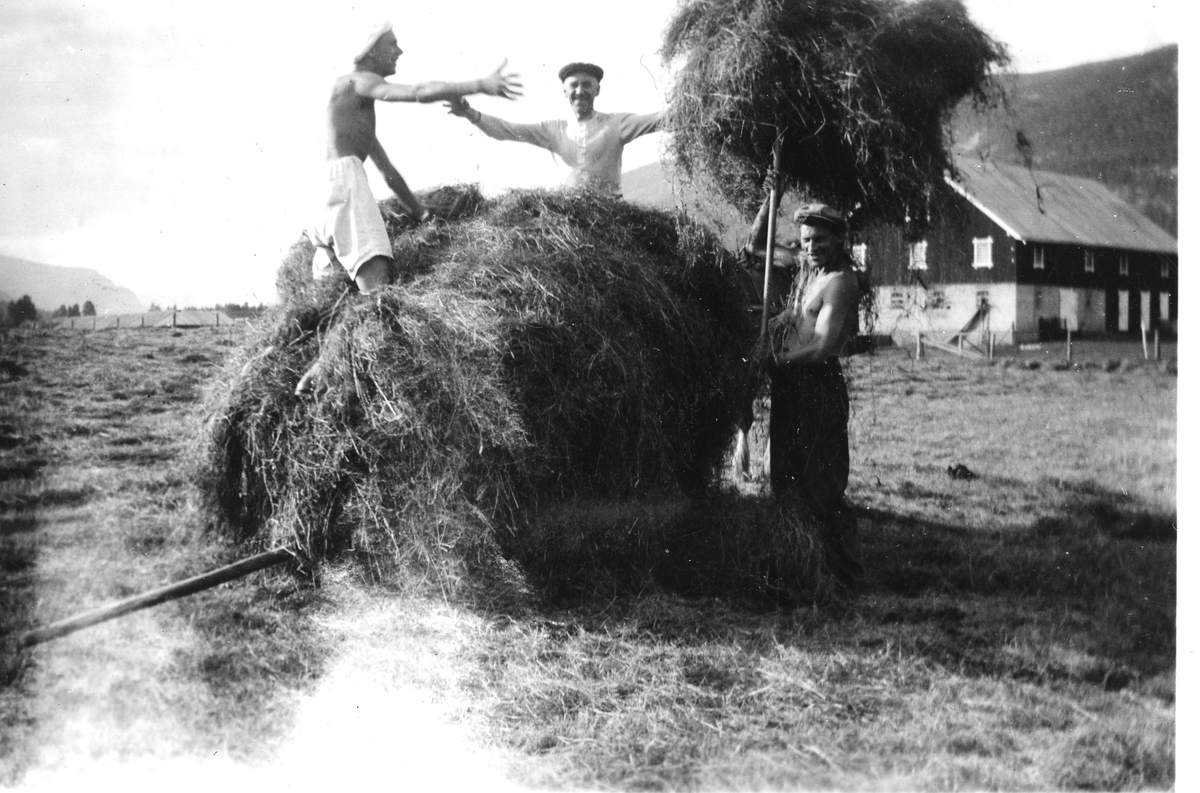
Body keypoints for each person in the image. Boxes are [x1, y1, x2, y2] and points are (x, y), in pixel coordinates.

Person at [310, 22, 522, 296]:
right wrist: (479, 84)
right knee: (378, 296)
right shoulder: (359, 80)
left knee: (333, 296)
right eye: (392, 44)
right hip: (345, 185)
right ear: (372, 51)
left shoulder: (350, 116)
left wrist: (420, 212)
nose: (399, 50)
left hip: (321, 196)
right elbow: (417, 92)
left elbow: (389, 173)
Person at [744, 188, 864, 589]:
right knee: (784, 478)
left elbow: (821, 347)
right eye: (807, 241)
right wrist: (769, 193)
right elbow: (757, 247)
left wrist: (773, 361)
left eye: (821, 241)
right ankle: (796, 565)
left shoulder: (840, 283)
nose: (813, 248)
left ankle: (837, 576)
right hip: (791, 387)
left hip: (817, 387)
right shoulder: (805, 273)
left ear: (839, 241)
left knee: (818, 485)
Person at [444, 62, 659, 197]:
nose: (580, 91)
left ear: (597, 90)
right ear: (564, 91)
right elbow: (507, 130)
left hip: (612, 214)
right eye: (573, 85)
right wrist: (469, 113)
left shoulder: (616, 123)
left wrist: (691, 102)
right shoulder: (555, 129)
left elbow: (657, 120)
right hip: (571, 215)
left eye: (587, 85)